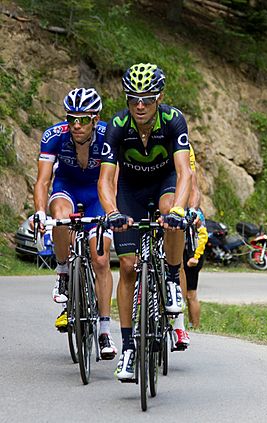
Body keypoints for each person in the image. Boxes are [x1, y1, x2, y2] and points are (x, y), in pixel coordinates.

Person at [98, 62, 192, 380]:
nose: (140, 105)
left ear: (159, 97)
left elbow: (184, 172)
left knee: (171, 212)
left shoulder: (173, 120)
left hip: (163, 182)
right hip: (130, 191)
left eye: (147, 99)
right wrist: (112, 212)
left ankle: (171, 275)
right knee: (126, 267)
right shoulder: (118, 126)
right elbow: (106, 180)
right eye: (133, 98)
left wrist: (180, 209)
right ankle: (127, 349)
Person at [33, 87, 117, 360]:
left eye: (83, 119)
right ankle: (63, 271)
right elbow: (43, 181)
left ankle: (104, 330)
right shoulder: (55, 136)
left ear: (96, 118)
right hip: (67, 188)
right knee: (59, 215)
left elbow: (113, 180)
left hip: (97, 193)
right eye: (71, 118)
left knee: (101, 260)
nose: (76, 125)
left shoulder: (109, 136)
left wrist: (113, 211)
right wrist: (39, 213)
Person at [180, 144, 208, 329]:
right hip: (188, 251)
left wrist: (195, 257)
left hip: (193, 253)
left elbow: (203, 236)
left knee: (191, 293)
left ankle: (194, 326)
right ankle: (189, 324)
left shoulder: (196, 215)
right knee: (188, 293)